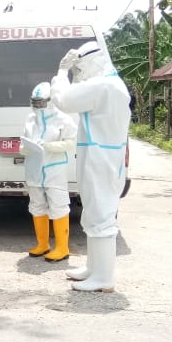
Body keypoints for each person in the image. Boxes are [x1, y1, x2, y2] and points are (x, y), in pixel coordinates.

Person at [51, 41, 131, 292]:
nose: (79, 74)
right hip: (101, 156)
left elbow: (63, 100)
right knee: (94, 213)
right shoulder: (111, 84)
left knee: (101, 216)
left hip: (100, 159)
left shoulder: (103, 85)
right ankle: (94, 269)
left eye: (80, 69)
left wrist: (61, 73)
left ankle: (103, 278)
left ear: (92, 61)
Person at [20, 82, 77, 262]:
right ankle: (42, 244)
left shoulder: (63, 119)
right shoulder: (30, 119)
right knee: (37, 206)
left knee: (58, 206)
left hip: (54, 170)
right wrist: (25, 149)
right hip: (34, 170)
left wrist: (50, 146)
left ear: (50, 101)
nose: (38, 106)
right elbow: (23, 142)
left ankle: (62, 248)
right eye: (35, 102)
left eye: (41, 102)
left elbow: (70, 143)